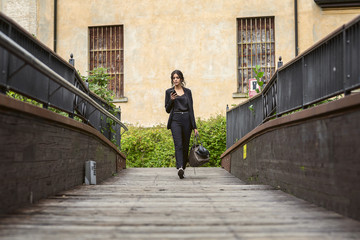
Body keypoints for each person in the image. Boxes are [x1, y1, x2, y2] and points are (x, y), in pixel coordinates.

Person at [165, 70, 199, 179]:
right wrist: (171, 100)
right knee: (178, 144)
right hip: (175, 119)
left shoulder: (188, 92)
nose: (175, 80)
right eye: (173, 78)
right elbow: (167, 109)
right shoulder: (169, 92)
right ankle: (179, 167)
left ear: (181, 79)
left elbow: (191, 109)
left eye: (177, 78)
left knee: (185, 145)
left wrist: (194, 127)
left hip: (187, 120)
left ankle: (182, 168)